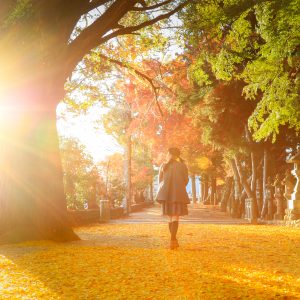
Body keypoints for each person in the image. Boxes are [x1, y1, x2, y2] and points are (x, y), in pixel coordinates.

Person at [156, 147, 189, 249]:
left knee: (170, 218)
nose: (166, 155)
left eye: (167, 153)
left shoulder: (163, 166)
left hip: (166, 195)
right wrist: (178, 185)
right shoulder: (182, 166)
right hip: (178, 194)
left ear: (170, 154)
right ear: (177, 155)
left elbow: (159, 181)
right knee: (175, 217)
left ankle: (173, 241)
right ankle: (173, 240)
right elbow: (186, 181)